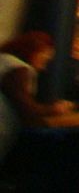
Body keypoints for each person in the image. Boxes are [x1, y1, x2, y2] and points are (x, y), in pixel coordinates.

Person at [0, 32, 69, 170]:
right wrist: (54, 109)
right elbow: (25, 107)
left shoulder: (4, 60)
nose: (43, 67)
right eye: (43, 59)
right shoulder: (18, 69)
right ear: (33, 51)